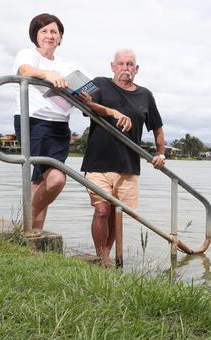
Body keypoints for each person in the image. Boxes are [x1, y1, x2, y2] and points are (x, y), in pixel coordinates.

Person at [13, 13, 131, 233]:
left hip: (59, 126)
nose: (49, 35)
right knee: (51, 179)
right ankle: (28, 226)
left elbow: (88, 91)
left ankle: (31, 233)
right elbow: (24, 71)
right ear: (35, 35)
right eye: (44, 31)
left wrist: (107, 108)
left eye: (54, 31)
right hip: (33, 121)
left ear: (60, 37)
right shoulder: (28, 54)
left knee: (45, 181)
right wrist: (48, 75)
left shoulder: (68, 64)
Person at [80, 49, 166, 267]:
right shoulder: (99, 83)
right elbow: (80, 99)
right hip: (97, 162)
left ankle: (106, 256)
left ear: (136, 69)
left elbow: (157, 127)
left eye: (130, 64)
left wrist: (160, 153)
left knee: (115, 215)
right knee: (102, 210)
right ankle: (102, 257)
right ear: (112, 66)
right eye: (121, 64)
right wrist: (113, 112)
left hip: (127, 165)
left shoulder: (145, 95)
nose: (125, 68)